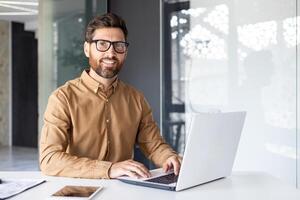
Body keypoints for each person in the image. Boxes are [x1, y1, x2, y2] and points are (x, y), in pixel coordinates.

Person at [39, 13, 181, 179]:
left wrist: (169, 157)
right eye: (102, 44)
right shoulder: (62, 98)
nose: (111, 53)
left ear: (125, 51)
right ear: (87, 49)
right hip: (78, 192)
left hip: (122, 192)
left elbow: (154, 144)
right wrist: (109, 169)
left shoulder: (136, 99)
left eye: (118, 45)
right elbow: (49, 159)